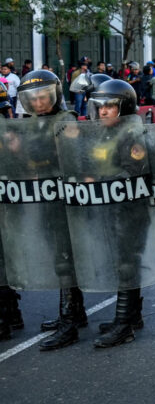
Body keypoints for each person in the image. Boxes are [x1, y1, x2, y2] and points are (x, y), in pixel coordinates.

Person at [15, 70, 87, 351]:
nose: (39, 101)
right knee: (60, 257)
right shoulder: (29, 123)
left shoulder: (65, 121)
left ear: (54, 95)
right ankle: (77, 314)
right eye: (34, 97)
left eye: (44, 95)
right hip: (45, 201)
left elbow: (72, 157)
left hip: (65, 201)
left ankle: (68, 323)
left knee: (64, 261)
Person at [78, 79, 151, 349]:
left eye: (110, 106)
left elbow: (135, 172)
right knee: (121, 262)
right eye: (101, 106)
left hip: (130, 210)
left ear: (124, 107)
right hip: (109, 208)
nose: (104, 111)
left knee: (126, 264)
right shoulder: (100, 134)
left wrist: (101, 183)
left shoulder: (132, 136)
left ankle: (124, 325)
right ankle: (133, 315)